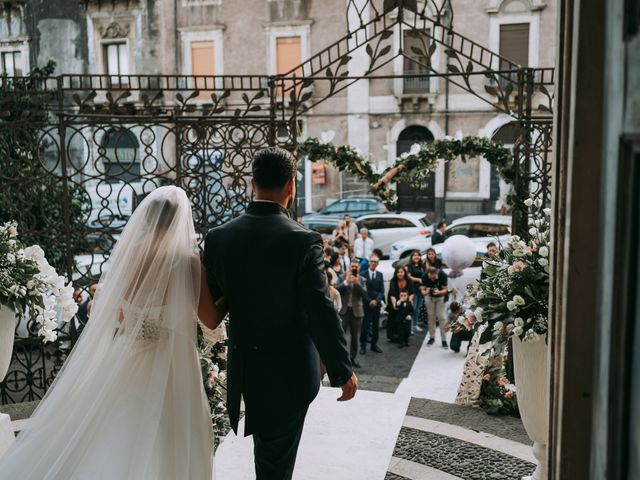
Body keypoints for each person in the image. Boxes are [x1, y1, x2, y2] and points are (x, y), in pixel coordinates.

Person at [0, 186, 226, 480]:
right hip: (173, 363)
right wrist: (231, 297)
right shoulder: (187, 261)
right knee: (174, 433)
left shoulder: (130, 255)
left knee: (120, 427)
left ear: (145, 220)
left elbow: (119, 313)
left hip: (130, 355)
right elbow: (209, 319)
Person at [203, 147, 357, 480]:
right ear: (291, 186)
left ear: (252, 183)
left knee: (270, 457)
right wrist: (342, 369)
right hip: (290, 373)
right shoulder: (303, 240)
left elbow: (214, 306)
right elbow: (320, 309)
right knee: (275, 465)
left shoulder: (218, 238)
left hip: (247, 368)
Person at [337, 259, 367, 368]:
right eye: (352, 266)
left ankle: (353, 358)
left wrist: (357, 284)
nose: (354, 268)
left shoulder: (362, 279)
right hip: (344, 311)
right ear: (349, 267)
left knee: (355, 337)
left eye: (356, 267)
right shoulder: (342, 277)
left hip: (356, 312)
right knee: (340, 335)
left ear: (359, 268)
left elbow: (364, 295)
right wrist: (346, 282)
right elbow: (336, 290)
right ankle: (340, 358)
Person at [360, 254, 385, 355]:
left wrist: (377, 301)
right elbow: (362, 290)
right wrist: (369, 301)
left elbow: (382, 291)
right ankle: (363, 346)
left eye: (375, 262)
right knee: (365, 326)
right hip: (367, 304)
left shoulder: (380, 274)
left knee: (375, 325)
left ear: (378, 264)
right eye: (372, 261)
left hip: (376, 304)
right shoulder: (362, 274)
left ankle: (374, 344)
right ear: (369, 262)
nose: (373, 263)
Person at [421, 266, 449, 347]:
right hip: (429, 297)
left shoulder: (442, 275)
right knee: (431, 317)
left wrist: (439, 292)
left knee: (442, 318)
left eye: (434, 277)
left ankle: (444, 339)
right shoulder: (425, 275)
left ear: (437, 273)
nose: (432, 279)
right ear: (428, 274)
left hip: (440, 297)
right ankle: (432, 337)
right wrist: (424, 292)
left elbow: (445, 290)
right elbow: (422, 289)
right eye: (431, 277)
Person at [387, 266, 413, 341]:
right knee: (393, 318)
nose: (400, 274)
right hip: (394, 299)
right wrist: (394, 305)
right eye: (398, 272)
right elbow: (392, 294)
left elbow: (411, 293)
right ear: (396, 273)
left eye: (401, 272)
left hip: (405, 301)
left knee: (404, 318)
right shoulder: (393, 280)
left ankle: (404, 336)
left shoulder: (409, 280)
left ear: (404, 272)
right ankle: (392, 336)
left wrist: (409, 301)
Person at [406, 250, 425, 333]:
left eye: (418, 255)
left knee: (417, 308)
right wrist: (418, 280)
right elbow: (409, 277)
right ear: (411, 257)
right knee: (412, 308)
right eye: (414, 255)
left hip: (420, 290)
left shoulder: (422, 266)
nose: (416, 257)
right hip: (412, 289)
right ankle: (409, 327)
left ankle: (415, 324)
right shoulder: (409, 266)